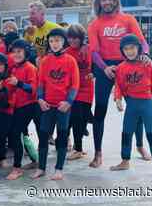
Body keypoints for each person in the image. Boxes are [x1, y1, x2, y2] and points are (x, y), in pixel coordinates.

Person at [88, 0, 152, 168]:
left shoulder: (128, 19)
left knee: (136, 108)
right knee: (99, 111)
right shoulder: (94, 24)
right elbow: (93, 52)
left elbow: (142, 43)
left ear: (115, 1)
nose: (107, 2)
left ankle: (139, 146)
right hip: (105, 68)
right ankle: (98, 153)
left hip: (128, 67)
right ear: (99, 3)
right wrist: (104, 67)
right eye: (103, 0)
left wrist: (144, 55)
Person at [110, 34, 152, 180]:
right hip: (131, 105)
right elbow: (119, 85)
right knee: (126, 133)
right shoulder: (121, 67)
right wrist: (118, 99)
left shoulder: (146, 64)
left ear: (138, 48)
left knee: (151, 134)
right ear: (122, 51)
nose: (130, 51)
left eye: (133, 48)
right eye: (126, 49)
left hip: (146, 103)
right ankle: (125, 161)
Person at [31, 28, 79, 181]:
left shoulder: (70, 60)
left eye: (57, 40)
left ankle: (59, 169)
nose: (54, 44)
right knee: (44, 135)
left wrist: (69, 102)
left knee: (62, 136)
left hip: (63, 106)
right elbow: (40, 83)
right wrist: (40, 99)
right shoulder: (45, 60)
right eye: (51, 41)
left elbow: (75, 84)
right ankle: (41, 168)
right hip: (47, 105)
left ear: (64, 42)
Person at [6, 39, 41, 180]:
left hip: (30, 105)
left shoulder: (30, 68)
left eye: (19, 51)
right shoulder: (13, 68)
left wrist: (19, 83)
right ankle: (35, 160)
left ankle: (17, 167)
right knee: (23, 134)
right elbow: (11, 87)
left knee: (16, 133)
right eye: (14, 52)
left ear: (26, 52)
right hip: (17, 106)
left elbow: (33, 90)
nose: (16, 54)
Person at [65, 24, 94, 160]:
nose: (73, 41)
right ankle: (77, 148)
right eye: (70, 38)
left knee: (82, 120)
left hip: (87, 88)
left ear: (81, 38)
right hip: (73, 89)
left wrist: (93, 73)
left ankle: (79, 148)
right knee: (76, 118)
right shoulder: (66, 52)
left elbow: (96, 65)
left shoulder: (88, 49)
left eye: (76, 38)